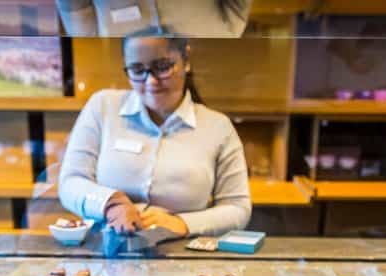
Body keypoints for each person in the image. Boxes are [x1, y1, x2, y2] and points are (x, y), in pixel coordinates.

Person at [57, 29, 251, 236]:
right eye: (137, 70)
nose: (150, 81)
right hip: (108, 250)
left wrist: (183, 223)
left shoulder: (218, 127)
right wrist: (110, 203)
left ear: (186, 60)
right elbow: (70, 182)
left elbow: (238, 208)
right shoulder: (103, 106)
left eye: (162, 67)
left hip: (183, 257)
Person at [56, 0, 252, 38]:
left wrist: (233, 26)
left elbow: (239, 7)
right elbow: (73, 6)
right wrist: (88, 38)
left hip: (206, 35)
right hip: (116, 50)